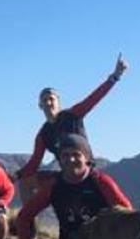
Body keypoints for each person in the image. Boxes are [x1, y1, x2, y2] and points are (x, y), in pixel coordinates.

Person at [17, 134, 132, 239]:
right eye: (65, 155)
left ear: (86, 158)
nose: (70, 160)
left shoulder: (101, 182)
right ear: (59, 159)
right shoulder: (54, 186)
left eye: (76, 155)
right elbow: (24, 217)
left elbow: (127, 214)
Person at [15, 54, 128, 203]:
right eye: (45, 100)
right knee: (26, 182)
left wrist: (115, 76)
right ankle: (29, 225)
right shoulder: (43, 134)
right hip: (64, 175)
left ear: (58, 103)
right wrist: (15, 176)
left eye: (52, 99)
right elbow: (34, 162)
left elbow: (94, 98)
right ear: (40, 106)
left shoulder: (72, 115)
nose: (49, 103)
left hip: (86, 172)